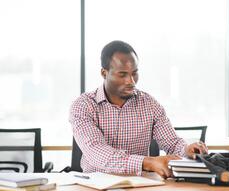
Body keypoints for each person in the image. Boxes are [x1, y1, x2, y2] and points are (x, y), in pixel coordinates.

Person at [70, 40, 208, 178]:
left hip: (140, 185)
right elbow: (97, 153)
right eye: (122, 74)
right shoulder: (83, 106)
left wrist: (187, 149)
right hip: (94, 186)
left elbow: (172, 143)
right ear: (104, 73)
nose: (131, 81)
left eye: (134, 73)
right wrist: (148, 162)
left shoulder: (150, 104)